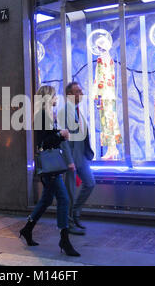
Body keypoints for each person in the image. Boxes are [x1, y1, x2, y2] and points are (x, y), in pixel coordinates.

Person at [19, 85, 80, 257]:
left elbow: (47, 139)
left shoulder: (45, 116)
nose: (56, 98)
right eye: (54, 95)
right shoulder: (41, 116)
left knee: (46, 200)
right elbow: (44, 143)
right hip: (49, 167)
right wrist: (61, 134)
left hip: (50, 167)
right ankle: (64, 239)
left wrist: (59, 133)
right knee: (64, 199)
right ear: (47, 98)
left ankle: (27, 229)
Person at [59, 82, 95, 235]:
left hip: (82, 156)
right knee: (70, 191)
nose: (80, 93)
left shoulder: (78, 110)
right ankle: (68, 223)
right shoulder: (64, 112)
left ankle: (75, 213)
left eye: (81, 90)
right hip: (71, 157)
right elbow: (64, 139)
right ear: (69, 95)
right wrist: (69, 161)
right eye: (77, 91)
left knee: (90, 183)